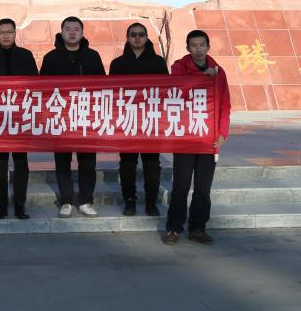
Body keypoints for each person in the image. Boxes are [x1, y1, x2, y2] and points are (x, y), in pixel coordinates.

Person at [164, 29, 231, 245]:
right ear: (187, 48)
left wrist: (222, 133)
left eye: (202, 45)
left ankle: (198, 228)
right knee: (181, 185)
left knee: (203, 187)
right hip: (185, 137)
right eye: (194, 45)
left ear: (208, 47)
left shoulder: (219, 72)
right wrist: (203, 77)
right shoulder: (178, 67)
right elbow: (178, 89)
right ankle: (174, 228)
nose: (198, 49)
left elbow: (225, 105)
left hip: (208, 138)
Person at [39, 16, 105, 218]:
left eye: (76, 29)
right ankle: (66, 201)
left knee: (88, 163)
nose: (72, 32)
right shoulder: (51, 58)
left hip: (87, 117)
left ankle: (85, 200)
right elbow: (42, 88)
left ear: (82, 33)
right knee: (62, 162)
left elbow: (103, 85)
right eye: (68, 29)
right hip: (61, 118)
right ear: (62, 32)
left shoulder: (93, 56)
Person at [0, 18, 37, 220]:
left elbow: (36, 86)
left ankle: (20, 204)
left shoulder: (26, 56)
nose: (5, 36)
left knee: (21, 163)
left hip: (21, 117)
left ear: (15, 33)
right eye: (2, 32)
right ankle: (1, 204)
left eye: (9, 32)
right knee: (0, 164)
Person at [108, 22, 168, 216]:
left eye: (141, 34)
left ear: (146, 37)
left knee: (152, 164)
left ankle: (151, 203)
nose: (137, 38)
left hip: (151, 120)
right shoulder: (117, 64)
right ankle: (130, 201)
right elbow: (111, 93)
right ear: (127, 38)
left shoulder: (158, 62)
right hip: (127, 121)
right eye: (133, 34)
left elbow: (166, 91)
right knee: (127, 164)